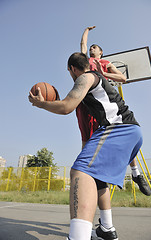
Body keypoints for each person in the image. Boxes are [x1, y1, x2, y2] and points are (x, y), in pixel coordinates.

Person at [29, 52, 144, 240]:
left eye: (69, 72)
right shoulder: (95, 81)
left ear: (73, 69)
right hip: (129, 132)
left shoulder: (86, 77)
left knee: (79, 172)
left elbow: (67, 106)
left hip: (119, 129)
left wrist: (41, 104)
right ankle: (107, 228)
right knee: (97, 179)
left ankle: (78, 237)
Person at [80, 25, 151, 197]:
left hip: (103, 104)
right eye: (90, 47)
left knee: (123, 134)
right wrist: (87, 30)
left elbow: (122, 78)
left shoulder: (105, 63)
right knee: (86, 142)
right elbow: (82, 43)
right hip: (85, 103)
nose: (91, 48)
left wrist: (103, 73)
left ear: (101, 52)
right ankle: (92, 177)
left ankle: (136, 173)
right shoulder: (84, 62)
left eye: (94, 48)